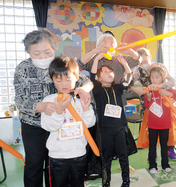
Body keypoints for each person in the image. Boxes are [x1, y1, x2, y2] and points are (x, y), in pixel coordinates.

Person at [13, 28, 93, 187]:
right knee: (34, 165)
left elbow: (86, 81)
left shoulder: (61, 64)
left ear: (54, 48)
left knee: (57, 166)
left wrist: (84, 89)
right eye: (36, 53)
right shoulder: (23, 69)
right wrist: (41, 106)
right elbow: (20, 101)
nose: (42, 57)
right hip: (34, 126)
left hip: (62, 125)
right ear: (29, 51)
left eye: (47, 52)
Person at [41, 56, 96, 187]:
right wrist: (59, 111)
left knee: (78, 184)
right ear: (53, 80)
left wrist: (86, 108)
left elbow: (90, 123)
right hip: (57, 156)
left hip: (79, 154)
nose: (64, 84)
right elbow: (47, 126)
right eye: (58, 80)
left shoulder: (79, 99)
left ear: (76, 78)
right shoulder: (49, 100)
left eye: (68, 79)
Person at [90, 51, 133, 187]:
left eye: (111, 71)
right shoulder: (97, 90)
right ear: (99, 78)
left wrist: (125, 64)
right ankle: (106, 181)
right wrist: (96, 59)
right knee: (106, 158)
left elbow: (128, 79)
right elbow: (91, 76)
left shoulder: (118, 88)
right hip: (105, 130)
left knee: (123, 156)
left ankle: (126, 180)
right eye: (105, 71)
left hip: (120, 128)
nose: (109, 73)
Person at [131, 48, 176, 161]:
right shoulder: (138, 71)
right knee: (151, 129)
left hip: (164, 101)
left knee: (167, 127)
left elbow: (172, 81)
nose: (143, 63)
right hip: (148, 102)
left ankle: (169, 149)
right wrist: (134, 89)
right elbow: (128, 85)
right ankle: (152, 152)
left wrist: (161, 86)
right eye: (140, 62)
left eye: (145, 60)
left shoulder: (160, 67)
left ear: (150, 57)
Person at [144, 65, 176, 173]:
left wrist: (168, 93)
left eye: (157, 77)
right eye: (152, 77)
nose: (154, 79)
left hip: (165, 123)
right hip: (152, 124)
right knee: (152, 146)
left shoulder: (168, 88)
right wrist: (149, 98)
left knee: (165, 146)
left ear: (162, 79)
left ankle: (165, 164)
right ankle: (152, 165)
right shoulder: (149, 90)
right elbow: (147, 105)